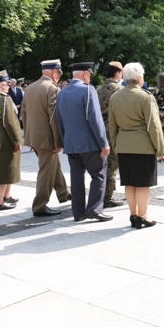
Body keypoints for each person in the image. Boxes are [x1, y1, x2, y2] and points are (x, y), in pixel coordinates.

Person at [108, 63, 164, 229]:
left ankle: (133, 214)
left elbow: (113, 126)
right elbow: (153, 126)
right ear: (140, 78)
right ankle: (143, 215)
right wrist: (160, 149)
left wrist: (116, 144)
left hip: (124, 145)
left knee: (130, 183)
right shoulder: (145, 97)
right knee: (143, 184)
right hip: (143, 146)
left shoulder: (115, 97)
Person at [56, 62, 112, 222]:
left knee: (76, 179)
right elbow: (95, 119)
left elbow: (59, 121)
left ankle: (78, 213)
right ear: (86, 74)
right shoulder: (88, 90)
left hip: (71, 144)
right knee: (99, 175)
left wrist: (64, 141)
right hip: (89, 143)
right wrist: (103, 143)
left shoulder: (62, 93)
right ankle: (94, 209)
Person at [22, 59, 71, 217]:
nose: (59, 77)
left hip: (35, 136)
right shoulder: (52, 89)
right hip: (47, 137)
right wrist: (58, 142)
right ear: (55, 71)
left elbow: (24, 114)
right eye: (59, 73)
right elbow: (53, 118)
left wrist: (28, 136)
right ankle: (39, 205)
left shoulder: (30, 88)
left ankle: (63, 193)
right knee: (47, 170)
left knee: (52, 166)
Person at [0, 71, 22, 212]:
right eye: (7, 83)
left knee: (7, 170)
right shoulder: (3, 98)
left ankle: (6, 196)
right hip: (5, 141)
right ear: (2, 84)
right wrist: (17, 141)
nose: (8, 85)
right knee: (3, 172)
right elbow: (10, 123)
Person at [96, 61, 125, 208]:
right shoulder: (119, 90)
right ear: (118, 73)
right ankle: (107, 196)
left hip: (98, 131)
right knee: (112, 165)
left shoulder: (98, 89)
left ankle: (100, 193)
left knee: (101, 164)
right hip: (113, 131)